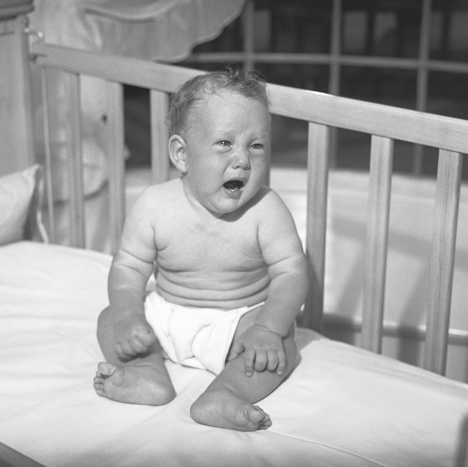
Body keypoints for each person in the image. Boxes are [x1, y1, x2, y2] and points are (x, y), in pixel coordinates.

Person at [93, 67, 309, 431]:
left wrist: (268, 329)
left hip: (236, 323)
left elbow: (292, 273)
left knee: (283, 345)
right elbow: (129, 269)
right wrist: (130, 315)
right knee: (109, 319)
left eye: (256, 145)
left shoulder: (266, 209)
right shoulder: (155, 204)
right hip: (164, 317)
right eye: (225, 143)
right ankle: (148, 373)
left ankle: (226, 392)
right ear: (181, 154)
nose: (243, 159)